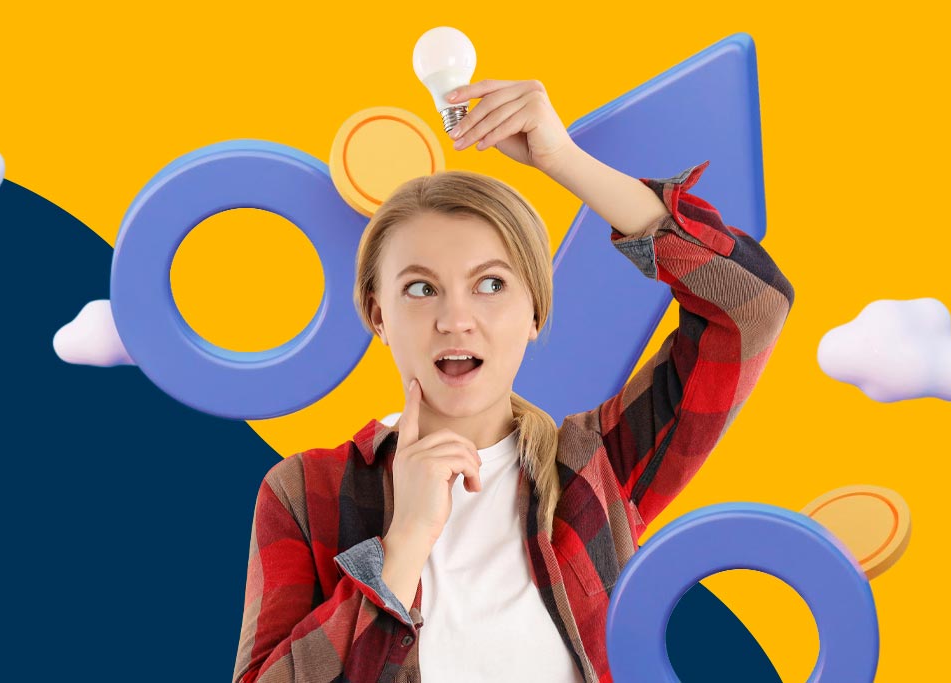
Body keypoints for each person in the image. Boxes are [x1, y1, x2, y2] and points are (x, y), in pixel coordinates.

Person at [233, 78, 795, 683]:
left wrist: (564, 159)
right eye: (420, 289)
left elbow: (751, 306)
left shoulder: (597, 469)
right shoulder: (306, 492)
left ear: (535, 313)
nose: (455, 319)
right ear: (378, 316)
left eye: (491, 285)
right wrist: (403, 546)